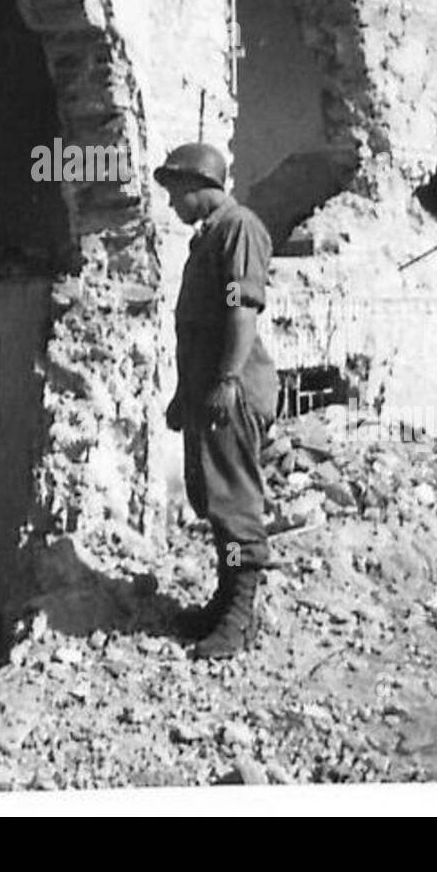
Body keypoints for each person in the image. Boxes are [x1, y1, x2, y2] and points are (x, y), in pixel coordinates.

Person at [155, 142, 280, 659]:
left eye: (174, 193)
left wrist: (227, 380)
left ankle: (237, 618)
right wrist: (186, 394)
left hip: (232, 389)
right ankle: (224, 601)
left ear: (196, 187)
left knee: (234, 500)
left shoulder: (238, 228)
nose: (170, 206)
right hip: (210, 388)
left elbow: (241, 312)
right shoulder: (208, 238)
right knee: (213, 497)